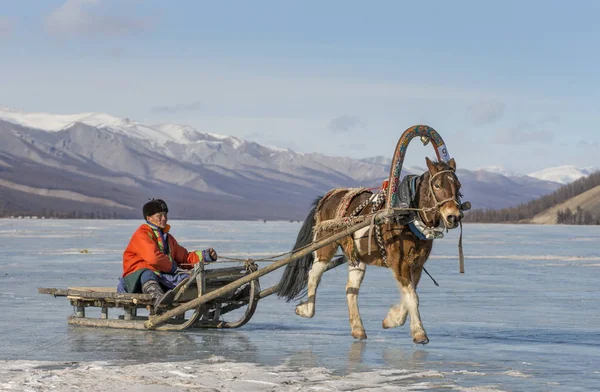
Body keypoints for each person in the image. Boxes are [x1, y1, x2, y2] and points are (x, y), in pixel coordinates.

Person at [117, 199, 218, 309]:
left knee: (186, 277)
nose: (164, 218)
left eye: (165, 215)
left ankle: (207, 292)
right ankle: (156, 297)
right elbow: (154, 258)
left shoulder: (168, 238)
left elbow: (184, 258)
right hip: (135, 279)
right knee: (147, 273)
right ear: (148, 218)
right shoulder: (142, 234)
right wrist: (173, 267)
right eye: (159, 216)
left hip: (160, 276)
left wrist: (204, 256)